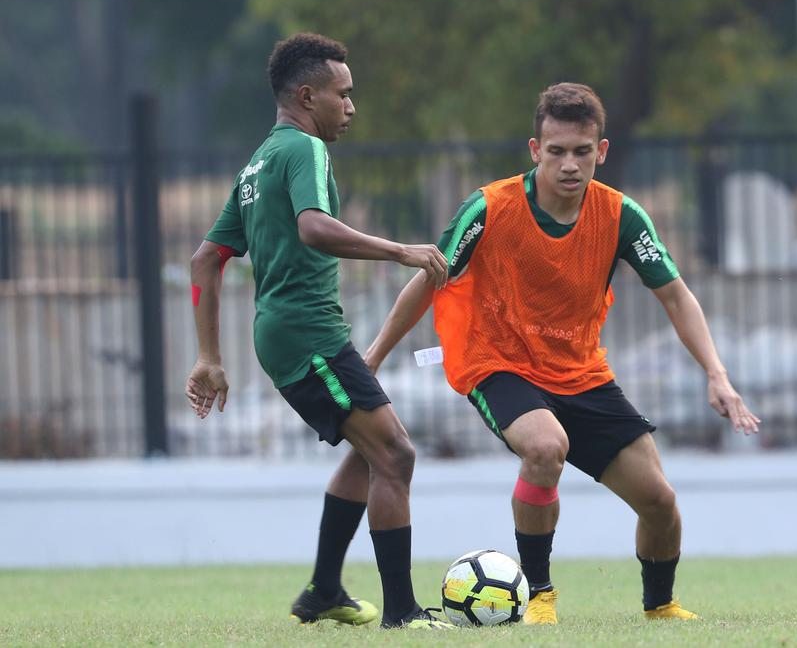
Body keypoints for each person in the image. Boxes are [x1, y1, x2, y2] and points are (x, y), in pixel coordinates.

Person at [364, 82, 760, 624]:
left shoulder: (621, 216)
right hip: (497, 362)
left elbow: (675, 294)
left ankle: (660, 607)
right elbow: (429, 280)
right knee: (546, 447)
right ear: (535, 151)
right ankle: (541, 594)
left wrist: (718, 375)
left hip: (582, 371)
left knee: (660, 502)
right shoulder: (489, 207)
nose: (569, 165)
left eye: (581, 151)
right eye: (556, 152)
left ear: (601, 151)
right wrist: (374, 358)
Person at [185, 33, 453, 629]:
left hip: (287, 331)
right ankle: (402, 613)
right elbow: (313, 228)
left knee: (371, 453)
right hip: (306, 332)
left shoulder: (259, 160)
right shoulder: (304, 150)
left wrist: (209, 356)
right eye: (343, 93)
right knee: (395, 454)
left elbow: (206, 259)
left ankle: (324, 590)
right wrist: (398, 250)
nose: (351, 106)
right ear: (307, 96)